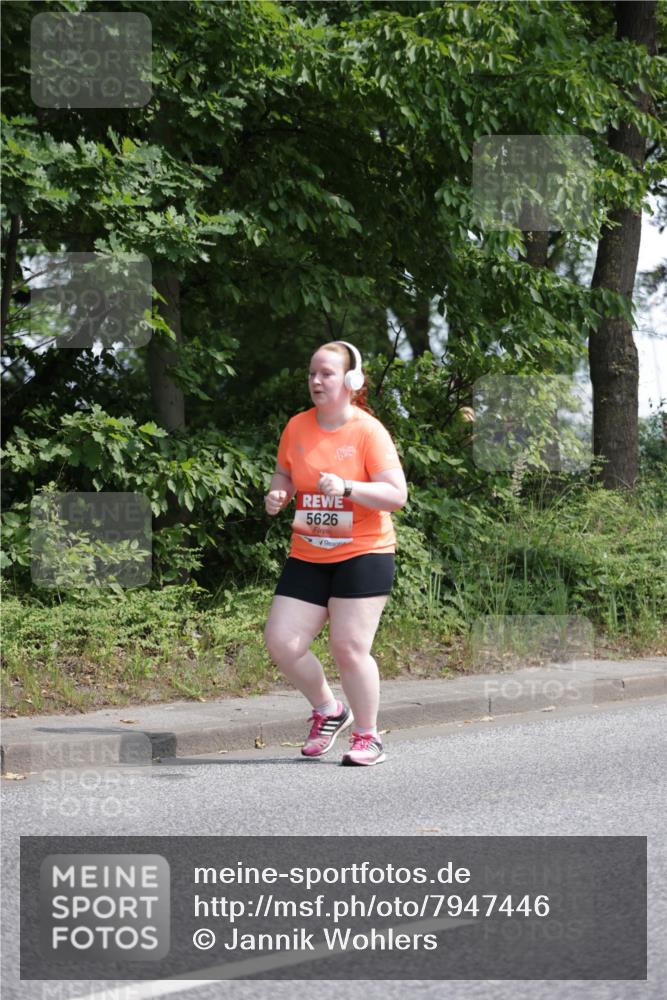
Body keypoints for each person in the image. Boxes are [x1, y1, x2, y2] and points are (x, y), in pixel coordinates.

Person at [263, 340, 408, 766]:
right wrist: (279, 493)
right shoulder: (297, 426)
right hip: (309, 551)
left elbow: (396, 494)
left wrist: (347, 487)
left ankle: (368, 736)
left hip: (364, 552)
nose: (316, 380)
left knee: (348, 647)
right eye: (312, 373)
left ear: (350, 380)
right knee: (282, 643)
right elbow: (285, 472)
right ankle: (329, 710)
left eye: (326, 373)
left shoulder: (367, 431)